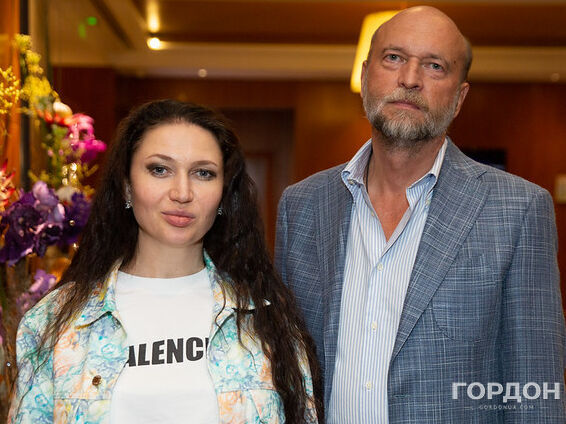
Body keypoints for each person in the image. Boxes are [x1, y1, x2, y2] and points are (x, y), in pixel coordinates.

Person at [275, 5, 566, 423]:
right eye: (393, 57)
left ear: (459, 98)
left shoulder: (518, 210)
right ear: (365, 76)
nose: (410, 79)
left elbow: (536, 390)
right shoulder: (301, 206)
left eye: (434, 66)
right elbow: (288, 365)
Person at [9, 99, 320, 423]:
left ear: (223, 194)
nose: (182, 192)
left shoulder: (268, 322)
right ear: (126, 186)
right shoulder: (54, 321)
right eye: (160, 169)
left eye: (203, 173)